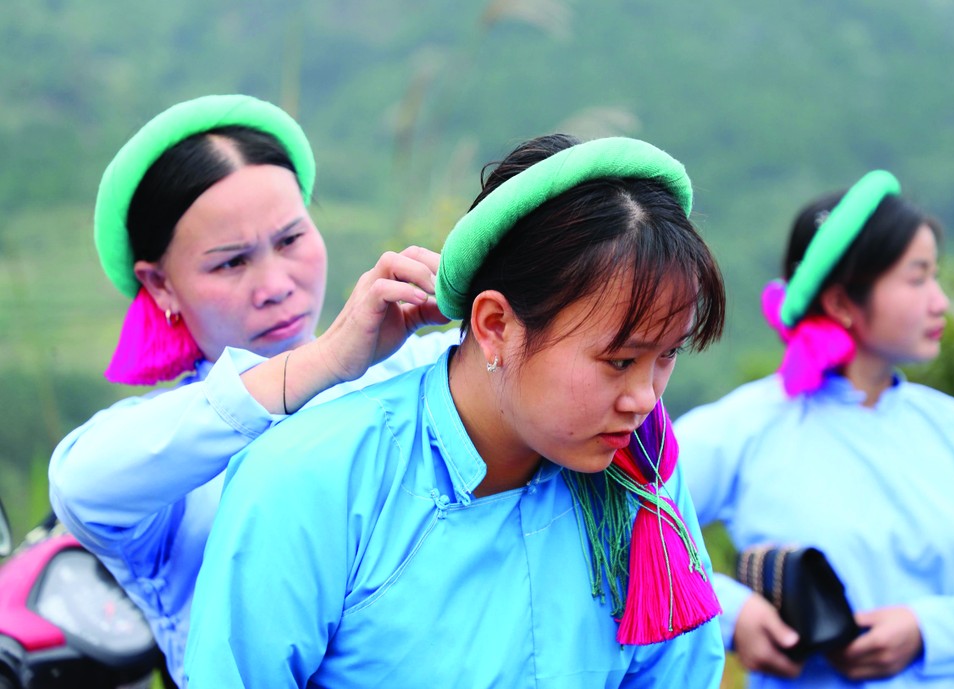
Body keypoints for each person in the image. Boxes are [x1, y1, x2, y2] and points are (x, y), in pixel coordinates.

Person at [183, 133, 729, 687]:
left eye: (667, 356)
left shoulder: (639, 472)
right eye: (618, 361)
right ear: (496, 325)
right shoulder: (312, 481)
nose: (645, 399)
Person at [47, 94, 457, 687]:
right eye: (231, 263)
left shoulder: (413, 369)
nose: (275, 285)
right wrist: (325, 361)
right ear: (159, 284)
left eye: (291, 239)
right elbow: (79, 484)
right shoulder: (173, 456)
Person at [676, 170, 954, 687]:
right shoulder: (745, 428)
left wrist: (926, 630)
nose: (940, 300)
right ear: (842, 302)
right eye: (917, 278)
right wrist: (735, 615)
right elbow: (631, 528)